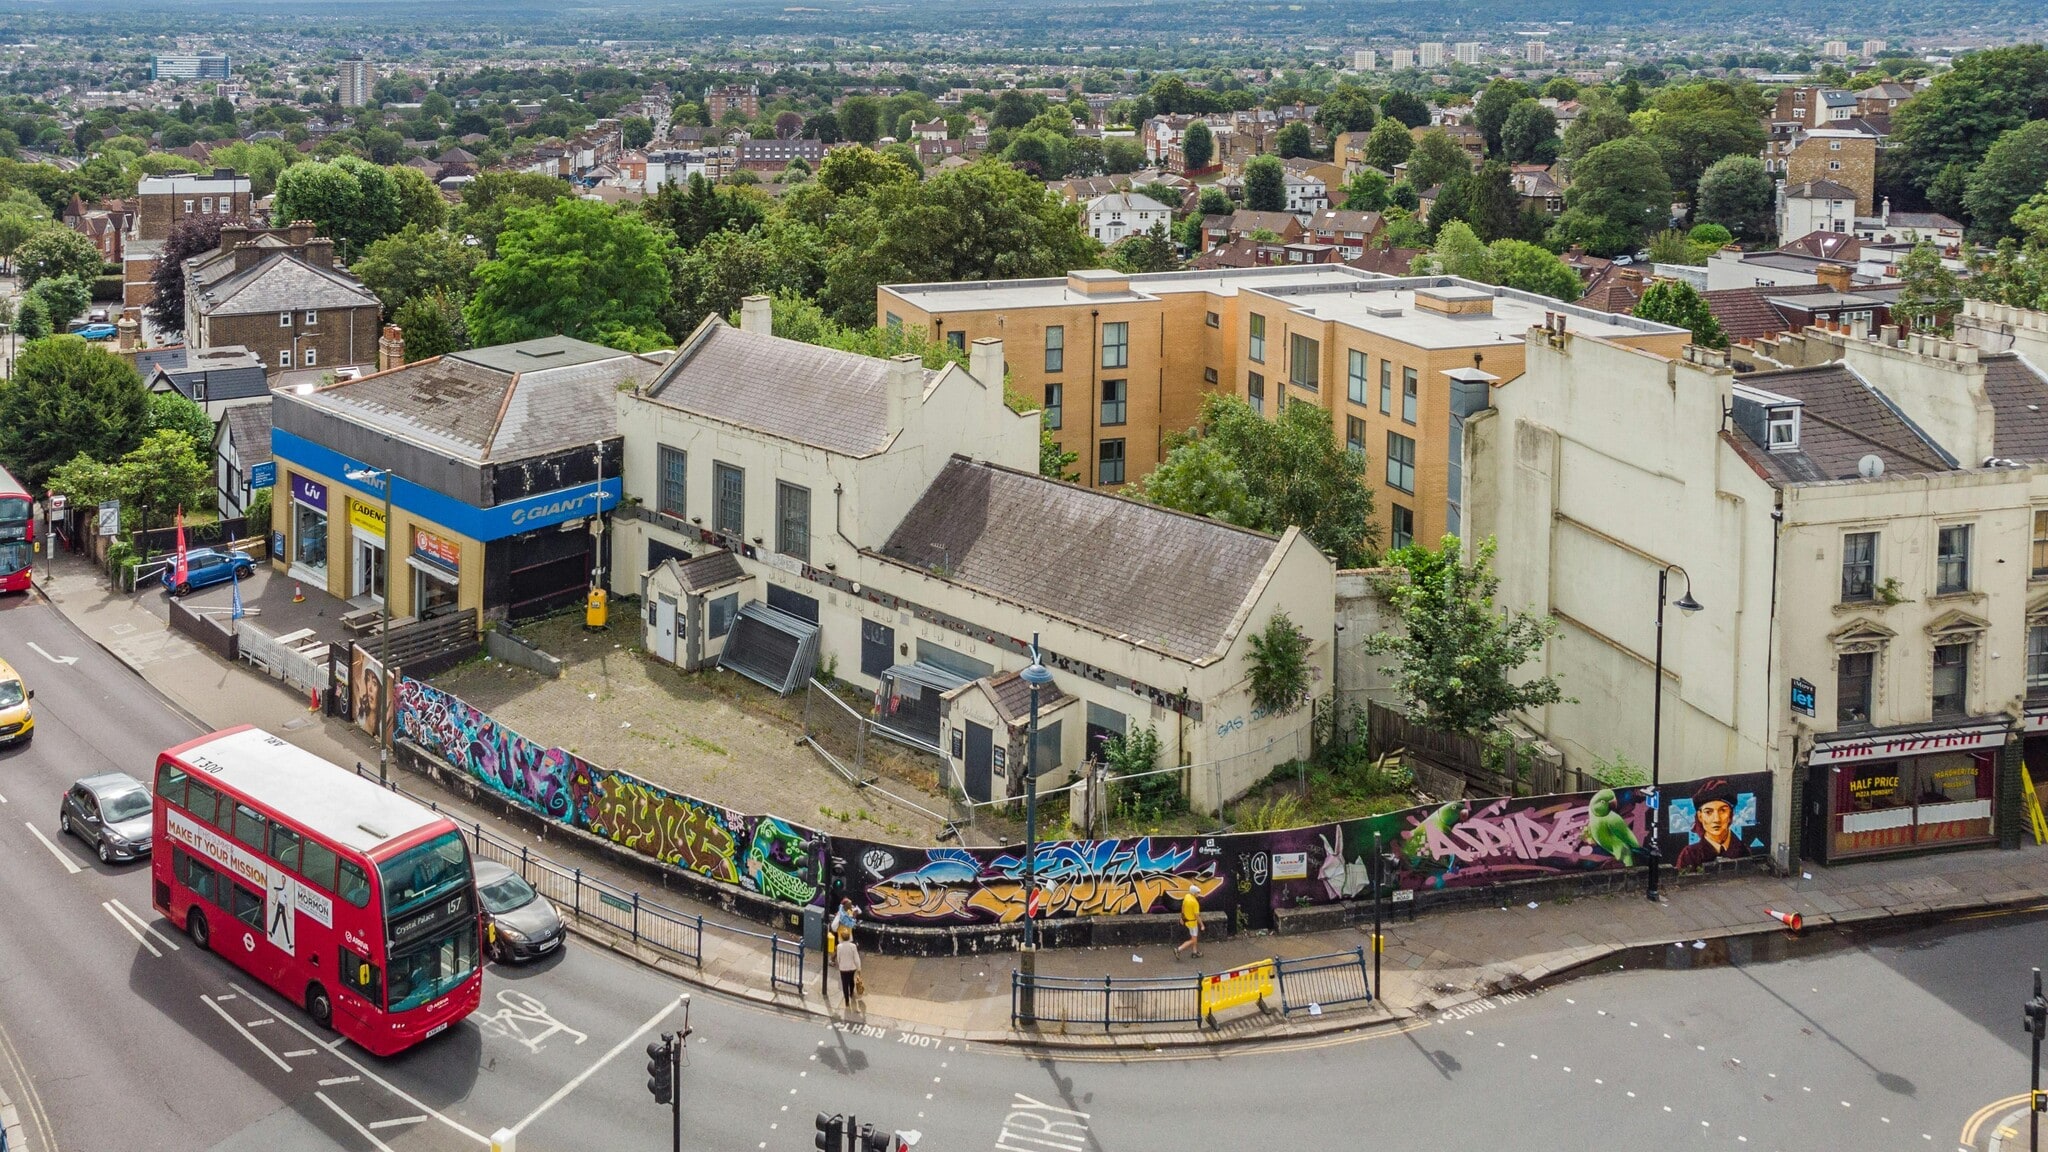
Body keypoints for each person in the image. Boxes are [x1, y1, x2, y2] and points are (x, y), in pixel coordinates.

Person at [1674, 777, 1751, 869]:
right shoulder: (1689, 855)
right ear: (1700, 816)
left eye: (1722, 810)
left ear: (1731, 815)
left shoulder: (1743, 850)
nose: (1716, 819)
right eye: (1708, 812)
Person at [834, 925, 861, 1008]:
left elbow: (838, 958)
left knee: (844, 984)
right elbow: (856, 958)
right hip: (852, 968)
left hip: (843, 968)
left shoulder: (839, 947)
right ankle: (851, 993)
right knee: (851, 981)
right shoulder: (853, 946)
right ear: (849, 937)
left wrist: (840, 964)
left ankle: (846, 1001)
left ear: (841, 937)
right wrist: (859, 968)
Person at [1174, 885, 1202, 959]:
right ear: (1194, 893)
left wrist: (1182, 918)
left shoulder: (1187, 896)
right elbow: (1197, 916)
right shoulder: (1195, 903)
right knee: (1193, 940)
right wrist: (1202, 925)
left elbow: (1182, 907)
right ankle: (1179, 949)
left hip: (1187, 922)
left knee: (1194, 937)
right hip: (1193, 923)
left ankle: (1194, 952)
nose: (1198, 894)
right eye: (1197, 893)